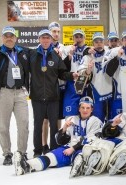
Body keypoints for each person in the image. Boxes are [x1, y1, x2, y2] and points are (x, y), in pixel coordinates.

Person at [14, 96, 103, 176]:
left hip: (82, 149)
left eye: (88, 108)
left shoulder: (96, 122)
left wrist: (73, 149)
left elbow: (91, 141)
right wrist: (64, 128)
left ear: (92, 109)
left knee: (83, 154)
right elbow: (59, 141)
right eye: (82, 107)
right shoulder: (73, 119)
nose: (85, 110)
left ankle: (80, 165)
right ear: (79, 108)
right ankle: (26, 165)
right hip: (68, 149)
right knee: (50, 157)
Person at [0, 26, 29, 165]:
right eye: (6, 36)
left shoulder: (23, 52)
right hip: (3, 93)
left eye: (11, 36)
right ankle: (7, 153)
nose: (9, 38)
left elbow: (40, 53)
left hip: (20, 93)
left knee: (24, 124)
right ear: (2, 38)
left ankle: (21, 152)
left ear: (15, 38)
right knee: (3, 126)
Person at [70, 102, 126, 177]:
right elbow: (109, 132)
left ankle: (120, 162)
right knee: (105, 146)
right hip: (118, 141)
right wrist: (114, 125)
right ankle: (85, 161)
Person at [29, 29, 77, 157]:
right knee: (38, 125)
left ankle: (54, 149)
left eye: (47, 38)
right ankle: (37, 151)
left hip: (53, 97)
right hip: (37, 96)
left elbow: (62, 73)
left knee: (54, 126)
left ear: (51, 40)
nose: (45, 40)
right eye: (43, 38)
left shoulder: (56, 56)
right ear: (39, 39)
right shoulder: (32, 54)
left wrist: (72, 75)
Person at [41, 22, 67, 155]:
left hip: (60, 88)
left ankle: (55, 143)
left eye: (58, 31)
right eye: (53, 31)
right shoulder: (42, 49)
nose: (56, 34)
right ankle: (44, 145)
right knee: (45, 119)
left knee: (57, 118)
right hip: (47, 89)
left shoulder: (64, 48)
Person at [77, 32, 112, 122]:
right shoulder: (87, 57)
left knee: (111, 121)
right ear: (93, 44)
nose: (99, 43)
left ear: (104, 42)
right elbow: (81, 75)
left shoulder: (110, 53)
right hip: (95, 93)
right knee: (97, 120)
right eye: (96, 42)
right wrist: (88, 70)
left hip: (111, 92)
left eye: (101, 41)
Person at [63, 29, 90, 118]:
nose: (78, 39)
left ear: (84, 38)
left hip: (84, 82)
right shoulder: (68, 49)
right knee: (70, 113)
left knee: (84, 113)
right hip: (72, 82)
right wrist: (70, 55)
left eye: (80, 37)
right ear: (73, 38)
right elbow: (63, 68)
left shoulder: (89, 50)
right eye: (76, 37)